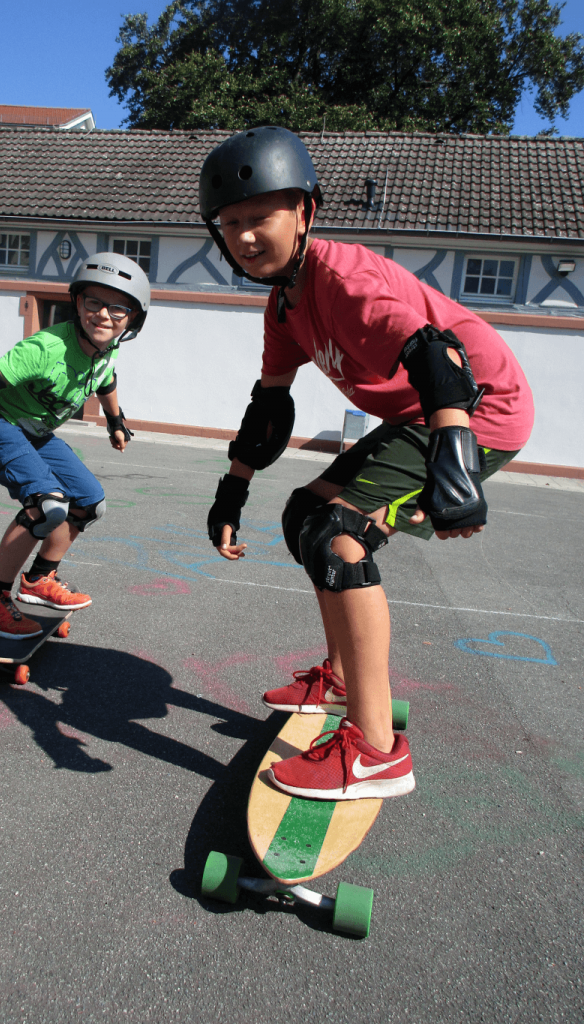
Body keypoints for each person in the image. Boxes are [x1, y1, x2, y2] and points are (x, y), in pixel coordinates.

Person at [198, 127, 534, 801]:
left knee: (339, 534)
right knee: (304, 513)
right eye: (230, 224)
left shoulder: (345, 281)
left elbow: (440, 359)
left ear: (304, 212)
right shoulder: (283, 304)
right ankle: (342, 678)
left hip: (479, 409)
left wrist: (456, 467)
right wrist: (231, 492)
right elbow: (269, 408)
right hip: (419, 415)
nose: (245, 237)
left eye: (260, 216)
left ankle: (377, 751)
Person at [0, 252, 150, 638]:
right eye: (93, 303)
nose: (103, 315)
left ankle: (38, 580)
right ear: (78, 303)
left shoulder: (107, 347)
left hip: (35, 429)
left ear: (133, 320)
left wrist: (115, 421)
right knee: (48, 506)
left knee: (89, 501)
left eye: (117, 308)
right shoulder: (48, 347)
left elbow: (106, 379)